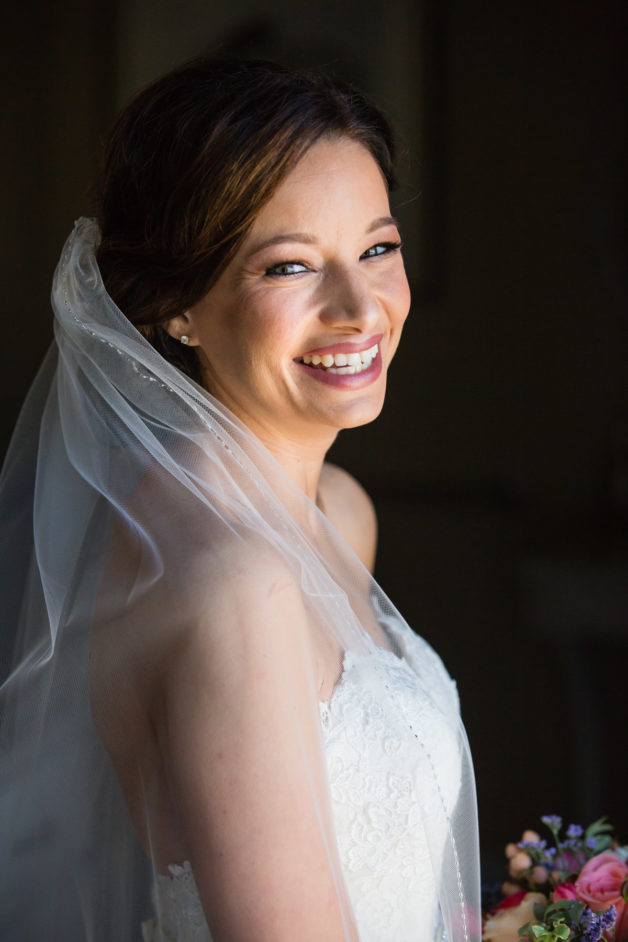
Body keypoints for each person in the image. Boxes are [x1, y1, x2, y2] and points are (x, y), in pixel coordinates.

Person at [0, 59, 480, 941]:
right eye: (290, 266)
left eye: (377, 248)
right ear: (177, 305)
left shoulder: (338, 512)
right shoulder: (236, 585)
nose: (357, 308)